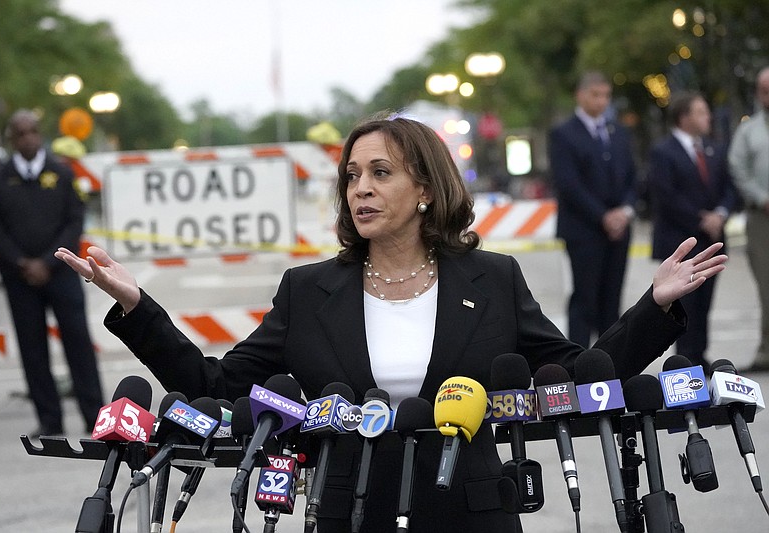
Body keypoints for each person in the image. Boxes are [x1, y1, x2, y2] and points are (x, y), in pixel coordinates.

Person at [56, 116, 726, 532]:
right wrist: (139, 307)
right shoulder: (308, 288)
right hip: (348, 509)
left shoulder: (491, 278)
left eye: (381, 172)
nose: (361, 189)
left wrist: (655, 306)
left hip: (477, 511)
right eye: (352, 176)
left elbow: (577, 379)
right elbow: (220, 384)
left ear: (427, 188)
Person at [0, 109, 104, 437]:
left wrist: (48, 261)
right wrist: (21, 261)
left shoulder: (61, 174)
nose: (28, 138)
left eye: (33, 131)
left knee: (78, 342)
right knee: (32, 348)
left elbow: (74, 220)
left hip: (61, 271)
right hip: (19, 277)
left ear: (40, 134)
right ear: (11, 140)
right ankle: (50, 420)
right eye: (20, 134)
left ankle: (95, 416)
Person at [548, 71, 638, 347]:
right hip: (583, 230)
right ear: (581, 95)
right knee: (585, 300)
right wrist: (603, 216)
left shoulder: (618, 132)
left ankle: (610, 364)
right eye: (595, 95)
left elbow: (633, 177)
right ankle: (578, 362)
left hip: (619, 230)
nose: (601, 101)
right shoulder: (563, 134)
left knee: (612, 301)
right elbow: (568, 183)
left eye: (606, 96)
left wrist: (625, 211)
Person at [647, 92, 736, 374]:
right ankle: (684, 361)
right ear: (684, 118)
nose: (707, 117)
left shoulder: (714, 149)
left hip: (711, 239)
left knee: (705, 302)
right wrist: (701, 219)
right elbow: (665, 195)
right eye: (701, 112)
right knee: (684, 305)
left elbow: (729, 187)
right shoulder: (664, 152)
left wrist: (720, 213)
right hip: (681, 240)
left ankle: (700, 354)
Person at [728, 66, 769, 373]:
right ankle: (767, 350)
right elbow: (738, 169)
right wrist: (761, 197)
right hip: (762, 218)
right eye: (764, 89)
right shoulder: (748, 131)